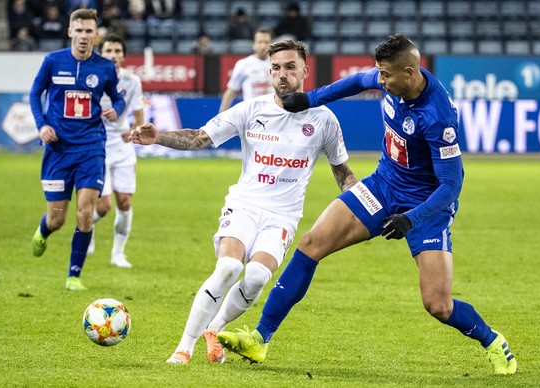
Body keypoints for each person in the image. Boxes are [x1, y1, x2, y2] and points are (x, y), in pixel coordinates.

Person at [217, 34, 518, 375]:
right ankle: (260, 339)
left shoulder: (438, 117)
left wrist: (411, 219)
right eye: (380, 73)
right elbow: (357, 81)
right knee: (311, 244)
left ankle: (493, 341)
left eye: (387, 75)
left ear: (409, 71)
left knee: (438, 304)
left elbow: (451, 185)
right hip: (382, 186)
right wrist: (309, 99)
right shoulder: (389, 78)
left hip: (426, 205)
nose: (381, 80)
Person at [129, 40, 357, 365]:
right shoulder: (252, 108)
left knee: (257, 277)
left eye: (290, 67)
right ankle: (183, 348)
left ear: (306, 71)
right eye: (276, 67)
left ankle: (215, 329)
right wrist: (158, 137)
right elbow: (199, 138)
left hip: (282, 217)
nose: (282, 75)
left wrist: (370, 203)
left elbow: (343, 175)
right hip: (245, 204)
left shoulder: (324, 120)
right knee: (229, 267)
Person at [29, 8, 126, 291]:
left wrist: (115, 110)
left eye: (89, 31)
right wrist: (41, 125)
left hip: (91, 148)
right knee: (58, 218)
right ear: (70, 32)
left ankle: (74, 275)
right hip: (58, 150)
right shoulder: (52, 62)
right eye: (79, 30)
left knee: (85, 212)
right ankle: (44, 230)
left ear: (96, 35)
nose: (84, 36)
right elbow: (35, 93)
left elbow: (118, 98)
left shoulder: (105, 67)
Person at [87, 33, 145, 268]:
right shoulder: (91, 78)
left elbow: (139, 117)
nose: (113, 55)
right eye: (109, 50)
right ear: (102, 53)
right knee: (103, 205)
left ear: (123, 55)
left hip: (122, 147)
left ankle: (118, 253)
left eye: (117, 51)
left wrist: (132, 131)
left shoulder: (132, 81)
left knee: (125, 203)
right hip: (97, 145)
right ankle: (86, 226)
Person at [218, 27, 274, 113]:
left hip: (273, 112)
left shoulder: (278, 63)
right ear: (254, 44)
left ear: (271, 44)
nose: (263, 46)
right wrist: (221, 116)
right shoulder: (243, 64)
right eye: (260, 42)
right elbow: (231, 91)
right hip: (251, 113)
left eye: (266, 42)